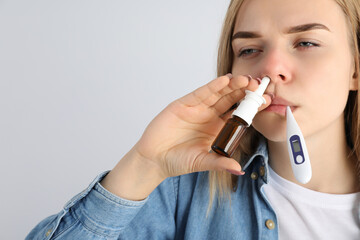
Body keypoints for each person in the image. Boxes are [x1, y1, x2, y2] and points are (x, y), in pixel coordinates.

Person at [26, 0, 360, 239]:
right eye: (249, 50)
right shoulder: (180, 191)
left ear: (356, 69)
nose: (270, 70)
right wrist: (144, 165)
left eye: (306, 43)